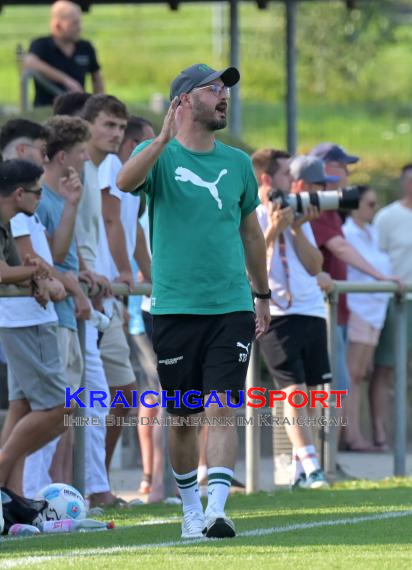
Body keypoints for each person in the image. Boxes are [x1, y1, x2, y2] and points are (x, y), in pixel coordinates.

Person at [117, 63, 270, 539]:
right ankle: (189, 510)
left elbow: (251, 233)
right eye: (213, 89)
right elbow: (124, 183)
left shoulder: (239, 163)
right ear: (183, 101)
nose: (224, 96)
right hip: (175, 308)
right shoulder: (154, 154)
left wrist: (261, 294)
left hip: (231, 304)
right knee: (184, 417)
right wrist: (160, 140)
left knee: (223, 405)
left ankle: (218, 510)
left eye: (226, 89)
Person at [254, 151, 332, 489]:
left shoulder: (298, 213)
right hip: (278, 314)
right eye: (287, 173)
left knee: (314, 394)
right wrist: (273, 228)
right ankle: (313, 468)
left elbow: (315, 265)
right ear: (268, 179)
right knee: (293, 392)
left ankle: (302, 469)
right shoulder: (253, 215)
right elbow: (252, 264)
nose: (293, 179)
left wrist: (297, 229)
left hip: (311, 309)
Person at [0, 159, 74, 492]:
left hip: (18, 323)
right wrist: (37, 276)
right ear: (19, 194)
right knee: (62, 409)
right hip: (22, 325)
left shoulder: (8, 223)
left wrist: (37, 277)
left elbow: (23, 267)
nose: (41, 198)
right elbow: (4, 273)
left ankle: (10, 497)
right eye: (37, 192)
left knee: (22, 408)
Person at [76, 93, 132, 508]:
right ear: (87, 124)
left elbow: (111, 224)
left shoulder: (106, 167)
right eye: (109, 125)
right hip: (80, 296)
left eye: (121, 127)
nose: (116, 134)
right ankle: (81, 486)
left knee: (118, 393)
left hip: (101, 295)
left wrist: (124, 274)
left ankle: (96, 483)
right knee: (66, 404)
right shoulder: (73, 169)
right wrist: (82, 274)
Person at [309, 143, 399, 399]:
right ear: (327, 168)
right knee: (336, 385)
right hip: (322, 308)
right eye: (344, 168)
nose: (349, 175)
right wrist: (380, 277)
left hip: (337, 309)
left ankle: (337, 440)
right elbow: (340, 248)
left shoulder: (330, 208)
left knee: (342, 382)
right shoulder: (317, 206)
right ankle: (327, 440)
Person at [341, 186, 391, 451]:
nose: (373, 209)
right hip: (359, 308)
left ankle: (352, 434)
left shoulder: (371, 233)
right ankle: (351, 436)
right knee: (352, 374)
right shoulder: (348, 233)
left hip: (375, 310)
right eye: (369, 204)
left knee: (360, 373)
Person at [371, 164, 412, 449]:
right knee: (385, 367)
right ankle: (380, 433)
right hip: (397, 302)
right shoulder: (387, 218)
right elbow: (375, 257)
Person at [25, 0, 103, 107]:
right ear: (58, 25)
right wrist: (66, 80)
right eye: (74, 23)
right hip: (47, 108)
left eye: (79, 22)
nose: (79, 27)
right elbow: (29, 62)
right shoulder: (41, 45)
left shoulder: (85, 47)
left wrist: (99, 105)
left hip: (77, 110)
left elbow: (96, 77)